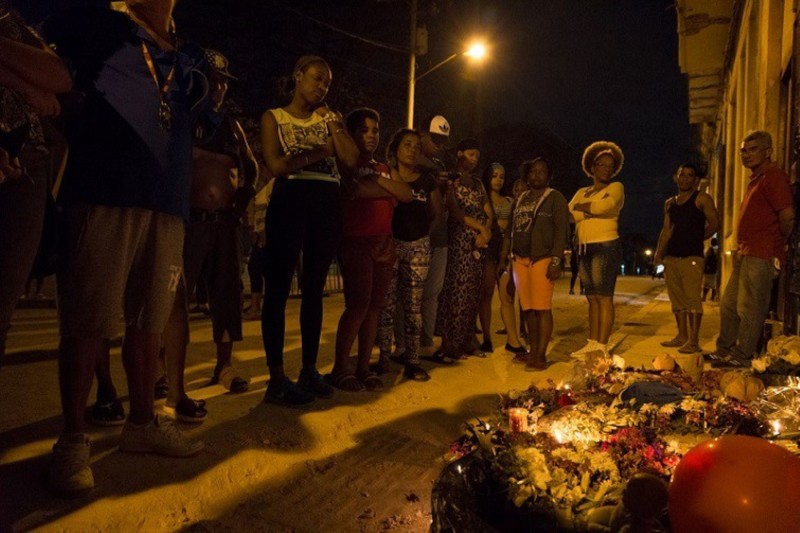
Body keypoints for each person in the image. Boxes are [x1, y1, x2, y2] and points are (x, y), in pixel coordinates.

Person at [42, 0, 209, 496]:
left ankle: (142, 423)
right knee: (88, 318)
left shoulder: (190, 53)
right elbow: (54, 76)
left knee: (150, 319)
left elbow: (203, 118)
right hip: (104, 188)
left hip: (168, 198)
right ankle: (72, 441)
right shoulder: (96, 22)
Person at [159, 49, 258, 423]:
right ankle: (161, 369)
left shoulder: (231, 126)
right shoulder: (184, 117)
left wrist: (241, 202)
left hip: (224, 224)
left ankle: (224, 365)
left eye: (222, 82)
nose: (218, 88)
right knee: (173, 297)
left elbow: (252, 167)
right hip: (189, 221)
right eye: (212, 80)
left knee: (227, 294)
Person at [260, 55, 359, 405]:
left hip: (326, 203)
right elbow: (276, 165)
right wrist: (320, 151)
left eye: (327, 83)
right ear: (298, 75)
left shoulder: (329, 119)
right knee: (277, 288)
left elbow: (350, 159)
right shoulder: (275, 117)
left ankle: (308, 369)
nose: (321, 87)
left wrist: (333, 125)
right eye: (316, 79)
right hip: (290, 200)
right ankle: (276, 379)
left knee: (315, 288)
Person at [0, 0, 72, 363]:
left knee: (2, 304)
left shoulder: (9, 18)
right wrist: (26, 84)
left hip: (25, 155)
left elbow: (58, 74)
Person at [329, 110, 414, 391]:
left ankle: (364, 368)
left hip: (384, 242)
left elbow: (406, 194)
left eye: (375, 130)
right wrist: (386, 188)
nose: (371, 135)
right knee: (358, 306)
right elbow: (354, 191)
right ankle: (341, 369)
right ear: (352, 134)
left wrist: (375, 181)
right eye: (364, 130)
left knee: (376, 307)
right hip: (356, 242)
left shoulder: (381, 168)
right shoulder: (346, 162)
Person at [709, 130, 794, 367]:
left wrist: (779, 245)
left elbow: (787, 216)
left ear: (768, 152)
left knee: (750, 307)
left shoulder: (773, 176)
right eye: (743, 151)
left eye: (752, 149)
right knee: (728, 305)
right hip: (745, 252)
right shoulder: (756, 179)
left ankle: (742, 356)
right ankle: (724, 350)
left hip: (762, 253)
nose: (746, 155)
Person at [375, 128, 441, 379]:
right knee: (386, 304)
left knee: (413, 306)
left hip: (418, 247)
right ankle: (383, 358)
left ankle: (412, 360)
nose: (412, 150)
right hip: (389, 245)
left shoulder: (426, 180)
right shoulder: (385, 174)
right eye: (407, 145)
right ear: (395, 149)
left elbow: (436, 213)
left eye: (416, 146)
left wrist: (423, 235)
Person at [500, 158, 569, 369]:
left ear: (548, 176)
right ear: (526, 175)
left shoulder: (555, 198)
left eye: (542, 172)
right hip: (520, 259)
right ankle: (533, 350)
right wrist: (504, 256)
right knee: (528, 308)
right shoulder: (520, 200)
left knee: (542, 308)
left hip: (542, 258)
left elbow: (561, 231)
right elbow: (510, 230)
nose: (537, 175)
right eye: (533, 172)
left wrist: (556, 260)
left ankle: (541, 355)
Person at [435, 138, 492, 360]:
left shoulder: (478, 183)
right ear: (459, 154)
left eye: (477, 155)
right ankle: (451, 343)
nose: (475, 159)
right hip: (460, 241)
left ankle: (469, 340)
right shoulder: (451, 180)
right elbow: (455, 211)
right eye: (471, 154)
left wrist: (486, 231)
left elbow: (488, 211)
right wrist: (480, 228)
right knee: (456, 291)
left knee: (473, 292)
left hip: (479, 242)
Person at [653, 163, 719, 354]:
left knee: (692, 300)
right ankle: (681, 336)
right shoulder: (670, 203)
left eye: (691, 175)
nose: (686, 178)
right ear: (676, 177)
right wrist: (658, 256)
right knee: (677, 300)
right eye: (682, 174)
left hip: (692, 257)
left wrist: (698, 237)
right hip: (671, 257)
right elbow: (666, 231)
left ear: (696, 180)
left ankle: (693, 341)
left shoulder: (702, 199)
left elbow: (715, 223)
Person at [568, 141, 625, 358]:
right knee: (591, 297)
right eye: (602, 164)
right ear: (592, 167)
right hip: (583, 247)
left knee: (604, 297)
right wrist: (589, 211)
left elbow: (606, 206)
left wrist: (584, 208)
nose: (606, 169)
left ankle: (602, 345)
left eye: (610, 166)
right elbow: (569, 214)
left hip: (605, 245)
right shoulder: (582, 190)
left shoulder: (616, 188)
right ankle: (591, 342)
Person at [477, 163, 525, 355]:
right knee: (486, 295)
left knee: (507, 296)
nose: (498, 180)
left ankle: (513, 340)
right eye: (494, 175)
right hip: (488, 250)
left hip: (505, 251)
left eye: (502, 176)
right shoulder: (482, 198)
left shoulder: (509, 201)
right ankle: (487, 338)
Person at [417, 114, 451, 356]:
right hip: (414, 235)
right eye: (434, 138)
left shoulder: (438, 166)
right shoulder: (409, 161)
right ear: (422, 134)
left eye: (442, 140)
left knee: (432, 294)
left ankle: (426, 342)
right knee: (409, 293)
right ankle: (404, 343)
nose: (438, 144)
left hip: (438, 237)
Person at [702, 238, 719, 302]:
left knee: (706, 284)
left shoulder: (709, 250)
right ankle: (712, 298)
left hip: (708, 271)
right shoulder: (716, 250)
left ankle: (705, 298)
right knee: (712, 285)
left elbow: (706, 260)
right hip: (712, 271)